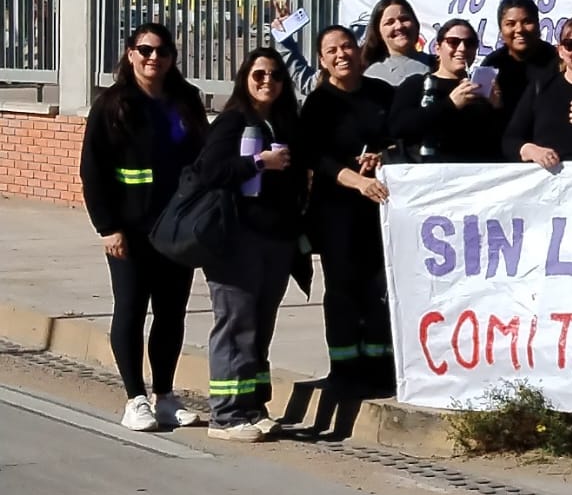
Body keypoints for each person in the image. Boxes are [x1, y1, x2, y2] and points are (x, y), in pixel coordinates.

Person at [79, 22, 210, 431]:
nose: (154, 58)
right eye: (146, 50)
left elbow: (202, 157)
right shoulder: (113, 105)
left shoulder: (185, 100)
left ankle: (165, 396)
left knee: (171, 314)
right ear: (131, 53)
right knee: (131, 309)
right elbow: (93, 171)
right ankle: (135, 398)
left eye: (163, 52)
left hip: (177, 228)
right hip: (130, 231)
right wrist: (108, 227)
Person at [192, 47, 302, 442]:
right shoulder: (233, 120)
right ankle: (225, 415)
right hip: (236, 240)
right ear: (245, 79)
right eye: (259, 75)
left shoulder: (284, 123)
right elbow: (209, 171)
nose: (267, 81)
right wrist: (258, 163)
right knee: (235, 325)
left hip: (275, 240)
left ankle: (253, 407)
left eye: (275, 75)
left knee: (259, 329)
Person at [299, 25, 394, 392]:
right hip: (337, 213)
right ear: (322, 61)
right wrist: (357, 181)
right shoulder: (318, 103)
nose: (342, 55)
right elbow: (316, 157)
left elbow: (399, 137)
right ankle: (344, 370)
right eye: (332, 50)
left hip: (380, 209)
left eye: (347, 46)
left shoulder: (382, 93)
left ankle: (380, 369)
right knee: (343, 291)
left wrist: (383, 156)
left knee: (379, 289)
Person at [388, 18, 504, 162]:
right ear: (438, 48)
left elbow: (500, 140)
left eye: (469, 43)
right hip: (429, 170)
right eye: (453, 42)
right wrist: (450, 104)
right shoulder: (417, 84)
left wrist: (497, 107)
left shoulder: (481, 88)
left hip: (475, 171)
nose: (462, 48)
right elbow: (398, 128)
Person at [504, 15, 572, 167]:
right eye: (571, 45)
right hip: (547, 179)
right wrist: (531, 151)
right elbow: (510, 140)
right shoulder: (540, 88)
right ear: (560, 51)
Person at [482, 0, 557, 117]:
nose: (519, 29)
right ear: (501, 30)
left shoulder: (557, 60)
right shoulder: (492, 65)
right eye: (510, 24)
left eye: (527, 22)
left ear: (538, 25)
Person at [360, 0, 433, 86]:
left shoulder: (438, 65)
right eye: (390, 23)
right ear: (378, 32)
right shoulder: (371, 76)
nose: (399, 26)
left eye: (404, 19)